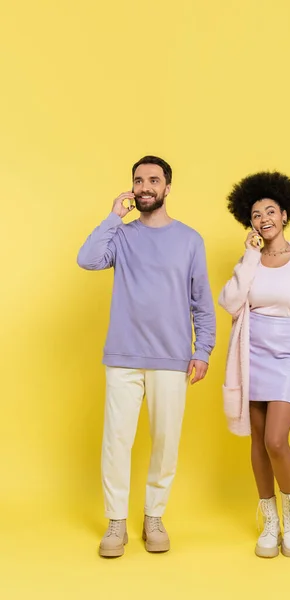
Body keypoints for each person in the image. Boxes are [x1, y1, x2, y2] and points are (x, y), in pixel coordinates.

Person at [77, 155, 216, 557]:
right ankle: (116, 521)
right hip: (123, 355)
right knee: (116, 441)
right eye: (139, 181)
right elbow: (87, 259)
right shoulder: (120, 236)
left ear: (168, 187)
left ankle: (153, 516)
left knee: (165, 441)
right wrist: (111, 216)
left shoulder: (190, 240)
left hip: (172, 358)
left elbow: (201, 302)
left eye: (154, 180)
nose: (145, 187)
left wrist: (202, 349)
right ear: (132, 188)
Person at [218, 171, 290, 558]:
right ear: (249, 222)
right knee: (257, 441)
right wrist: (250, 255)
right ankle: (269, 521)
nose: (264, 218)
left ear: (285, 214)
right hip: (251, 358)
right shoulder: (249, 260)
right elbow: (231, 303)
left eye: (271, 211)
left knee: (275, 440)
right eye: (256, 214)